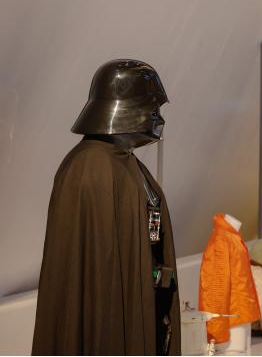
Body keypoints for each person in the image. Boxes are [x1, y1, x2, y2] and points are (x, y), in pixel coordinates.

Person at [32, 59, 181, 355]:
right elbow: (95, 273)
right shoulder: (90, 167)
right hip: (111, 321)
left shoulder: (125, 163)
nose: (158, 118)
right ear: (125, 107)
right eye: (152, 109)